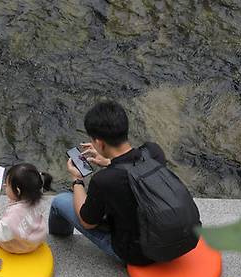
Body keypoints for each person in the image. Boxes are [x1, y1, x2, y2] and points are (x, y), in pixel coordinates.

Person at [49, 100, 196, 265]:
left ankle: (57, 240)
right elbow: (136, 173)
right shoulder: (153, 151)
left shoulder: (104, 180)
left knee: (59, 202)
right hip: (175, 237)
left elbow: (87, 222)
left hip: (139, 255)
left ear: (98, 142)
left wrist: (77, 180)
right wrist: (108, 161)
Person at [0, 163, 50, 254]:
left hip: (18, 247)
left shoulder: (14, 215)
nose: (4, 186)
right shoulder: (37, 197)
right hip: (35, 239)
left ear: (18, 191)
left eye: (7, 185)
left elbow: (0, 234)